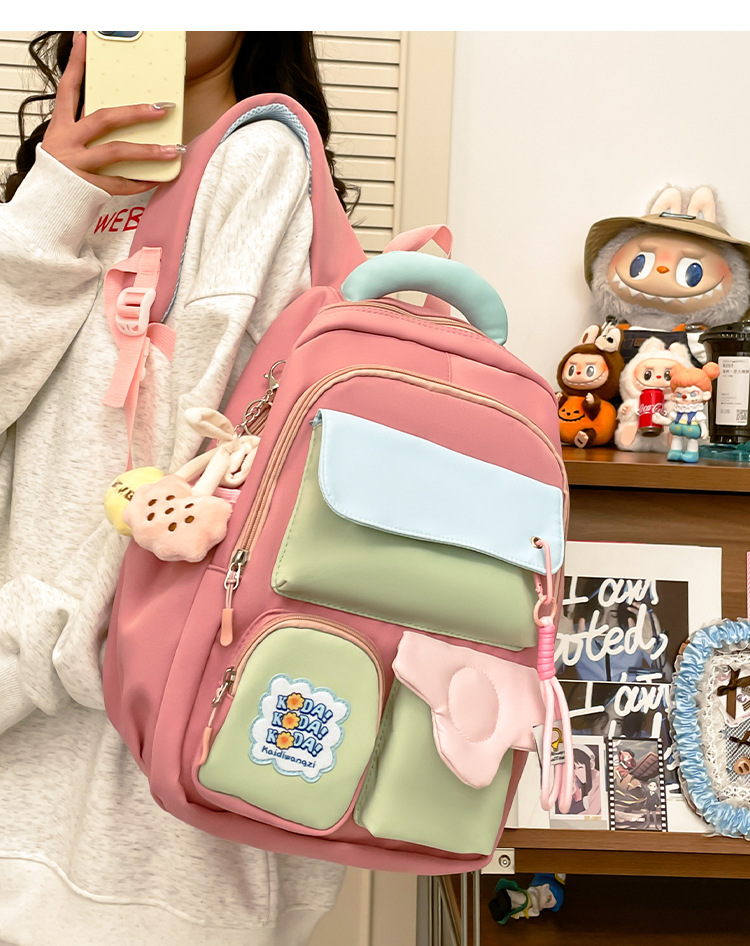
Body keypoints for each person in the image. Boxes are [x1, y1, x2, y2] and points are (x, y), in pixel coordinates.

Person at [0, 31, 355, 946]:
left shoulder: (259, 160)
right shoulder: (61, 187)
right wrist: (54, 198)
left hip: (133, 828)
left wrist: (24, 653)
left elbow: (206, 507)